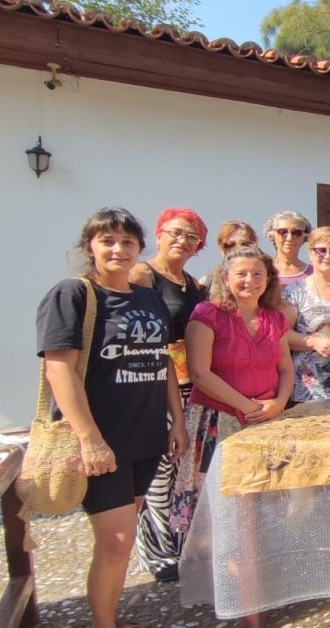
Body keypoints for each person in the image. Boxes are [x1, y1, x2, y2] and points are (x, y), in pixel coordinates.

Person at [37, 208, 186, 628]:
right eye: (108, 241)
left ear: (140, 247)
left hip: (145, 432)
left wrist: (176, 419)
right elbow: (58, 369)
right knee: (117, 542)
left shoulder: (148, 297)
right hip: (104, 439)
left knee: (121, 539)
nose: (118, 249)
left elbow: (163, 362)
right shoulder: (74, 295)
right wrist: (89, 439)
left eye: (126, 241)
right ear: (91, 247)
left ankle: (110, 616)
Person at [171, 246, 293, 626]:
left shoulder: (274, 319)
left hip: (264, 424)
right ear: (226, 277)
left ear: (268, 280)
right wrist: (247, 406)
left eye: (258, 274)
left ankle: (253, 594)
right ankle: (245, 610)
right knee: (229, 520)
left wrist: (276, 405)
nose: (249, 281)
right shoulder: (208, 316)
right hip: (219, 424)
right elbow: (200, 373)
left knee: (257, 517)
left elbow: (286, 368)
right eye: (241, 273)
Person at [127, 207, 208, 583]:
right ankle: (155, 552)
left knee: (183, 470)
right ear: (159, 234)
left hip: (192, 384)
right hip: (156, 382)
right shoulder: (143, 275)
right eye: (176, 232)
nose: (182, 241)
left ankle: (180, 542)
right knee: (159, 470)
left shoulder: (191, 283)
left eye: (191, 237)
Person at [283, 227, 330, 403]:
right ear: (310, 253)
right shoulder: (296, 291)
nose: (327, 256)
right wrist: (314, 342)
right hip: (307, 390)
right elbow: (281, 334)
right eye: (321, 250)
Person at [262, 211, 313, 288]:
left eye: (296, 232)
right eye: (283, 232)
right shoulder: (262, 269)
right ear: (272, 235)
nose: (289, 238)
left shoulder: (314, 273)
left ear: (304, 236)